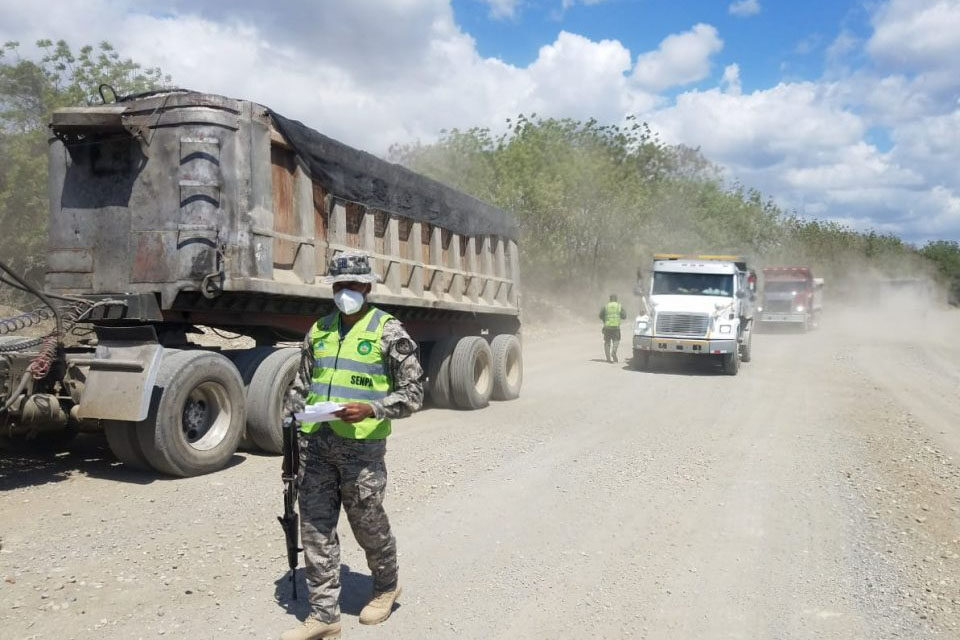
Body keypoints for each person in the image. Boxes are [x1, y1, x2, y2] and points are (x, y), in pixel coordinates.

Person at [280, 250, 424, 640]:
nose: (346, 292)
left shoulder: (389, 332)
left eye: (353, 285)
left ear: (368, 287)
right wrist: (289, 423)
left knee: (368, 525)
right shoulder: (320, 330)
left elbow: (413, 393)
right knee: (315, 527)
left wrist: (372, 407)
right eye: (339, 285)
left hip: (361, 453)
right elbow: (302, 384)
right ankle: (325, 615)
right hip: (317, 447)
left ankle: (386, 586)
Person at [599, 294, 626, 363]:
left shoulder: (606, 306)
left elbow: (600, 315)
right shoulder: (619, 306)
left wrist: (605, 320)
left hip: (607, 327)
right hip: (616, 327)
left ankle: (608, 359)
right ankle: (614, 352)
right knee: (616, 340)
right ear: (616, 299)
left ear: (610, 299)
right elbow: (624, 316)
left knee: (607, 342)